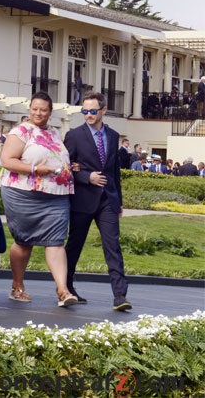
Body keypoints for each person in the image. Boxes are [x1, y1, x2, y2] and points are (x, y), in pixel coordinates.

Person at [0, 91, 77, 307]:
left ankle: (62, 291)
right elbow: (6, 160)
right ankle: (17, 286)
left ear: (50, 112)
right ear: (29, 110)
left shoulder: (54, 132)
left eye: (43, 109)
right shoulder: (21, 131)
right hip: (23, 193)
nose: (38, 113)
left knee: (56, 241)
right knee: (24, 242)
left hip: (56, 196)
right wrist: (34, 169)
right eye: (34, 109)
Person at [63, 92, 131, 311]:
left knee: (113, 247)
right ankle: (67, 289)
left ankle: (120, 295)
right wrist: (86, 176)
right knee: (74, 246)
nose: (88, 115)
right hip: (82, 199)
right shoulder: (74, 135)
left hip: (107, 201)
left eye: (93, 111)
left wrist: (118, 201)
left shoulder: (113, 136)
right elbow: (65, 169)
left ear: (103, 110)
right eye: (85, 111)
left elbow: (114, 171)